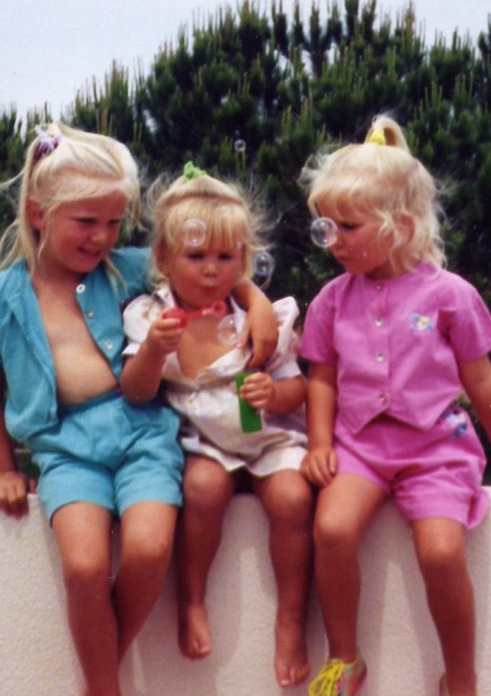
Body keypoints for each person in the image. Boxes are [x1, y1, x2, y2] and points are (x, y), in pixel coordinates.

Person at [0, 125, 278, 696]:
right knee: (83, 568)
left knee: (150, 548)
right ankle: (106, 687)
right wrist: (4, 469)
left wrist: (257, 305)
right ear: (38, 213)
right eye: (86, 221)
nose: (102, 237)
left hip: (143, 434)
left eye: (113, 222)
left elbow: (214, 274)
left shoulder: (131, 269)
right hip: (64, 447)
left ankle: (97, 683)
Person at [298, 117, 491, 696]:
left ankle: (459, 675)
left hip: (436, 449)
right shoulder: (331, 300)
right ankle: (346, 658)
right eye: (325, 227)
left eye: (348, 225)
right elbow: (322, 378)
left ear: (400, 226)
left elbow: (481, 378)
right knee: (333, 530)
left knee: (441, 552)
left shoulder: (449, 295)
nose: (333, 240)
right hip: (360, 447)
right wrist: (320, 443)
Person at [120, 164, 314, 689]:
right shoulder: (151, 317)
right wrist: (153, 354)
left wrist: (275, 394)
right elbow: (136, 390)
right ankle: (192, 599)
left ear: (245, 262)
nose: (211, 269)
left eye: (226, 257)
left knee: (294, 500)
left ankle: (292, 618)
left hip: (268, 436)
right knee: (203, 489)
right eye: (196, 256)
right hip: (205, 440)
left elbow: (298, 387)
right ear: (163, 259)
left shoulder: (261, 316)